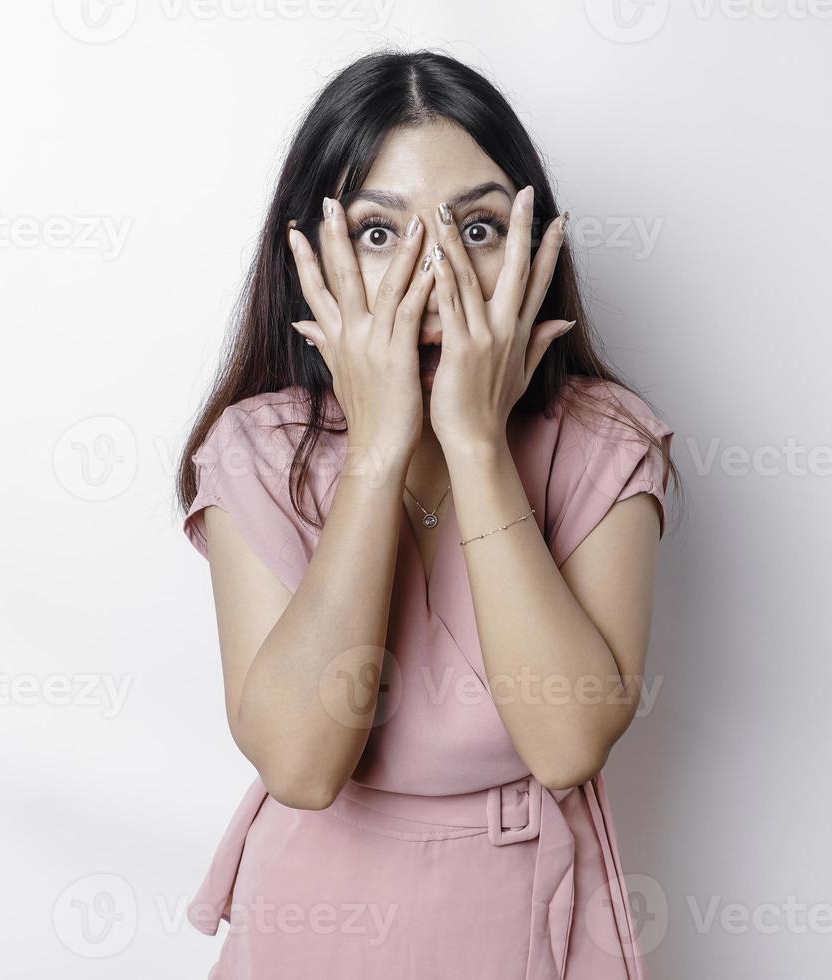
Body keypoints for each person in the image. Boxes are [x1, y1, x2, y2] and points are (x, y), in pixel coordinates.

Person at [177, 48, 680, 979]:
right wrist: (375, 452)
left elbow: (567, 742)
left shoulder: (607, 442)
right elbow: (301, 763)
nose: (436, 272)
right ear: (310, 257)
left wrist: (479, 446)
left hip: (523, 920)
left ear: (532, 248)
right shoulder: (253, 449)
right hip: (314, 921)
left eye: (480, 227)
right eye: (379, 233)